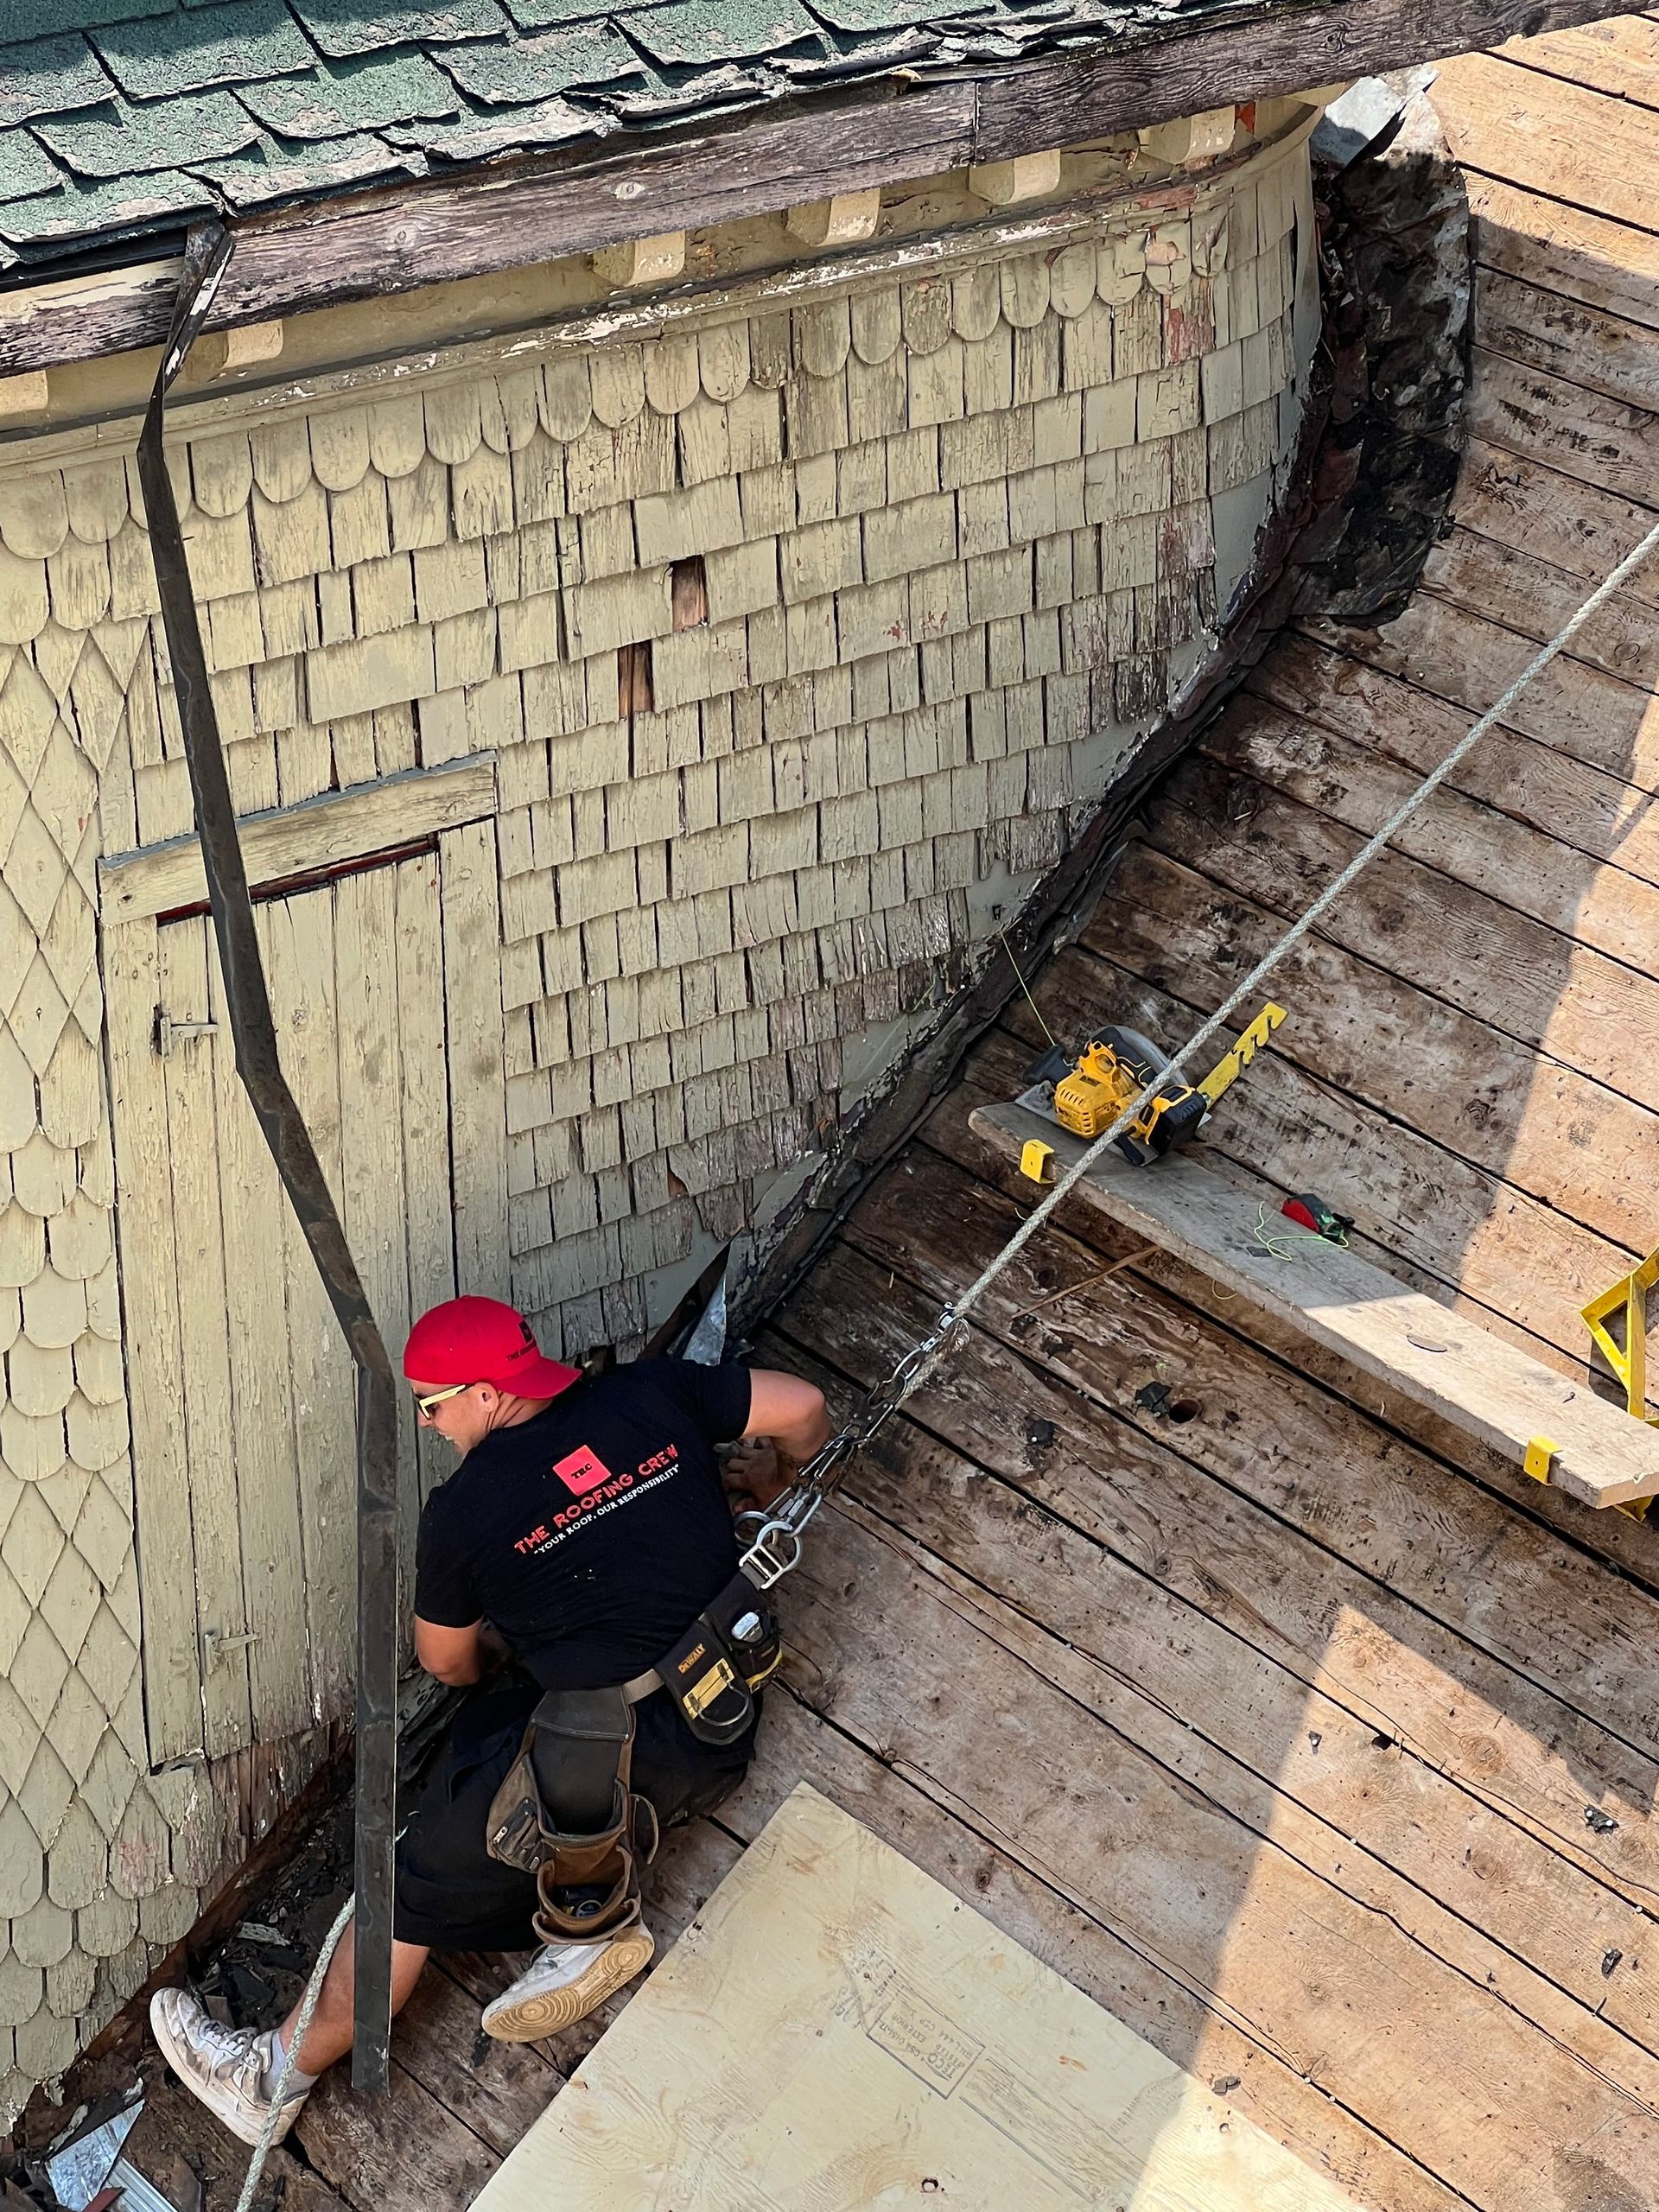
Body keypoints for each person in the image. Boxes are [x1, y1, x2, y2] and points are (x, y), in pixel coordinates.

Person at [149, 1294, 830, 2147]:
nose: (432, 1425)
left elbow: (445, 1659)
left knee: (401, 1893)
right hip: (721, 1720)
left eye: (433, 1404)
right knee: (505, 1729)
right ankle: (578, 1867)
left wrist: (496, 1650)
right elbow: (802, 1407)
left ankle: (269, 2076)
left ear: (485, 1393)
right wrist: (774, 1474)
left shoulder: (466, 1511)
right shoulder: (653, 1390)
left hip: (608, 1766)